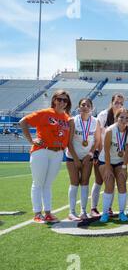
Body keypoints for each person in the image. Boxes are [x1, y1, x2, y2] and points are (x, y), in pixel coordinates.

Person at [19, 90, 72, 223]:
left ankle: (48, 212)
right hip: (42, 151)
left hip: (58, 153)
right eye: (59, 99)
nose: (62, 102)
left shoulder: (67, 118)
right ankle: (37, 213)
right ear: (54, 100)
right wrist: (31, 140)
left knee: (48, 184)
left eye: (65, 100)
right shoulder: (45, 113)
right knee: (38, 183)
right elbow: (23, 121)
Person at [99, 108, 128, 223]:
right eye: (121, 117)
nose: (124, 120)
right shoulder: (110, 130)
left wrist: (124, 168)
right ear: (116, 118)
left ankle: (121, 212)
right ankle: (105, 213)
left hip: (120, 162)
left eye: (126, 118)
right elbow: (106, 151)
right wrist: (108, 168)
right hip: (105, 160)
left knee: (122, 185)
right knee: (109, 185)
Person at [90, 93, 125, 217]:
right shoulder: (103, 115)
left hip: (115, 155)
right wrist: (97, 153)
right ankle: (93, 208)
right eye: (116, 102)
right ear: (111, 102)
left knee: (112, 181)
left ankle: (109, 207)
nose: (118, 105)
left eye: (121, 103)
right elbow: (98, 136)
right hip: (102, 154)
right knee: (99, 181)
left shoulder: (122, 117)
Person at [66, 98, 100, 221]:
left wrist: (90, 154)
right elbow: (68, 142)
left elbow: (97, 141)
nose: (85, 107)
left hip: (87, 158)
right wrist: (75, 158)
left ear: (92, 108)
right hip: (72, 157)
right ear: (79, 107)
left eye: (88, 105)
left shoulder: (95, 121)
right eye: (83, 105)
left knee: (85, 182)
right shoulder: (73, 121)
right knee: (74, 183)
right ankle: (72, 212)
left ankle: (83, 211)